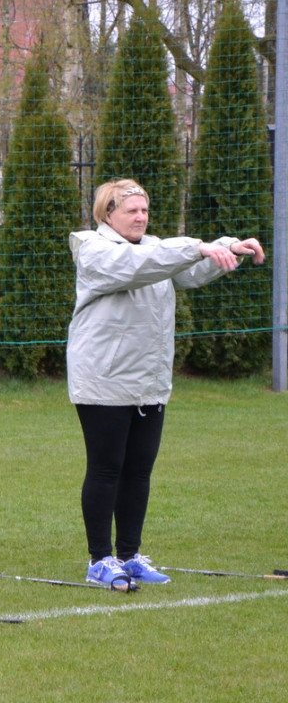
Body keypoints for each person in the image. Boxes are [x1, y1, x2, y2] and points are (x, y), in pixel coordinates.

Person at [67, 178, 264, 589]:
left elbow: (187, 270)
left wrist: (228, 248)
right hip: (103, 380)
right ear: (108, 214)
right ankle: (100, 561)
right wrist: (198, 245)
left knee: (139, 470)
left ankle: (129, 555)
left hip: (149, 381)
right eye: (132, 211)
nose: (141, 217)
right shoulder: (94, 249)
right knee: (106, 468)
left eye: (145, 210)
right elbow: (143, 264)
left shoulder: (155, 249)